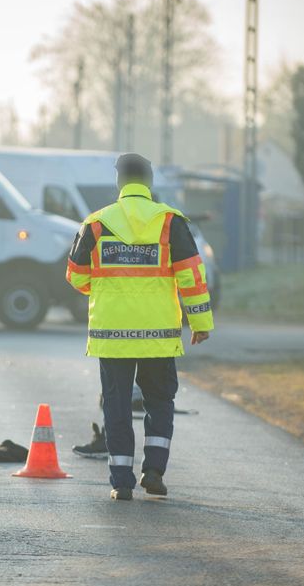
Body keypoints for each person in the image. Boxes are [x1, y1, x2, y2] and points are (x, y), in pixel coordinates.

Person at [65, 153, 214, 500]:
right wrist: (200, 322)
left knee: (116, 406)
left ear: (119, 181)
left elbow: (75, 275)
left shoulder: (97, 224)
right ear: (149, 182)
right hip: (158, 336)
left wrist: (105, 287)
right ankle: (154, 470)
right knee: (159, 401)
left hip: (112, 337)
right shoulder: (170, 222)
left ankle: (121, 483)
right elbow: (192, 275)